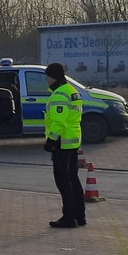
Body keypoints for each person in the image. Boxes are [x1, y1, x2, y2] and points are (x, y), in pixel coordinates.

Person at [43, 62, 85, 228]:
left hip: (62, 142)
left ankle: (69, 217)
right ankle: (80, 215)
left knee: (63, 181)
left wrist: (51, 140)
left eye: (47, 76)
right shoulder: (72, 91)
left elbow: (59, 122)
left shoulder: (60, 94)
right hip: (73, 141)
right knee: (73, 179)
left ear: (53, 77)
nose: (46, 80)